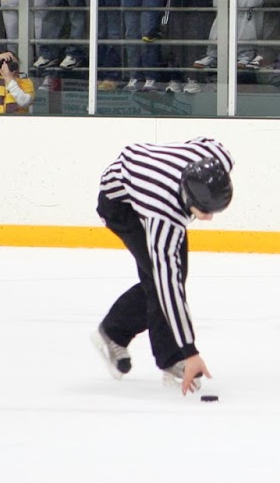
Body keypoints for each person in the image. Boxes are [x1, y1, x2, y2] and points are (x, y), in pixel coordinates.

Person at [91, 137, 235, 395]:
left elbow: (207, 142)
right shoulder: (164, 214)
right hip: (119, 205)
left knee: (171, 277)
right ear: (187, 197)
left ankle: (114, 330)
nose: (210, 218)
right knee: (161, 282)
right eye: (204, 211)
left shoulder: (218, 158)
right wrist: (190, 352)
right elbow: (167, 285)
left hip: (147, 175)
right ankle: (169, 357)